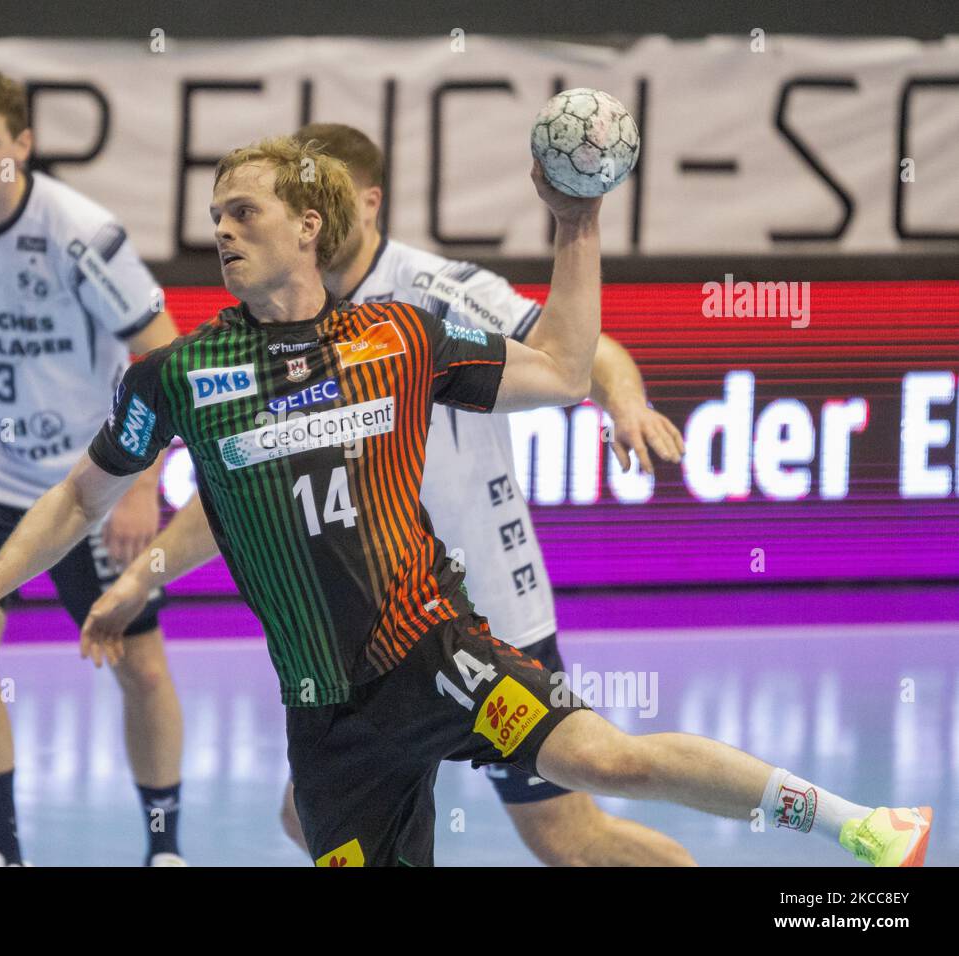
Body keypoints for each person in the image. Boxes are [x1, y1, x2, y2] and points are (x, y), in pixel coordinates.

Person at [0, 134, 932, 868]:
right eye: (216, 213)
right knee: (338, 827)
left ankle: (852, 824)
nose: (220, 229)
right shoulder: (183, 374)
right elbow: (83, 494)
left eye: (244, 211)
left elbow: (567, 364)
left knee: (602, 760)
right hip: (327, 719)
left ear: (309, 226)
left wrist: (574, 223)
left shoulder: (398, 335)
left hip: (435, 651)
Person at [86, 122, 693, 866]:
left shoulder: (429, 295)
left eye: (325, 193)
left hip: (477, 610)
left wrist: (623, 402)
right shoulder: (275, 327)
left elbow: (579, 355)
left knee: (569, 837)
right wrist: (142, 578)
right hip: (370, 644)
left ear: (358, 204)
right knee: (306, 818)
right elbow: (247, 499)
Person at [0, 69, 187, 866]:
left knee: (137, 660)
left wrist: (141, 482)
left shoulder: (80, 231)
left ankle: (165, 848)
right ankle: (2, 852)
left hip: (85, 480)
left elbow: (162, 352)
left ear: (23, 146)